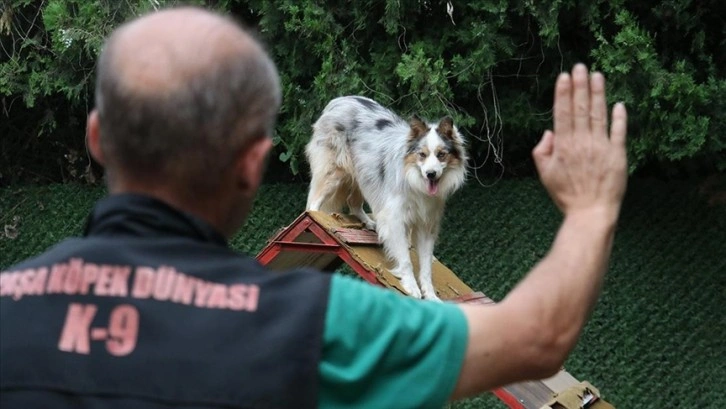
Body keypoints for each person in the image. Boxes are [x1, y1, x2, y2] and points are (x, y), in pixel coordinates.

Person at [0, 5, 628, 409]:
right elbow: (536, 338)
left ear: (97, 140)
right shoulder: (316, 322)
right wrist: (592, 209)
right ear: (255, 160)